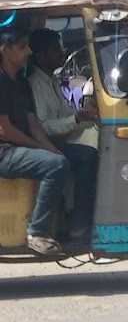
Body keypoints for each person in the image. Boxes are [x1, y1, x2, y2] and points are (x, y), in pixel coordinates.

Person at [0, 28, 94, 255]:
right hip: (5, 151)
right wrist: (45, 151)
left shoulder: (21, 84)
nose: (28, 52)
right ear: (5, 50)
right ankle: (37, 232)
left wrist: (51, 149)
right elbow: (6, 130)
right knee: (55, 165)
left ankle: (79, 226)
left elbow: (34, 125)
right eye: (22, 47)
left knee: (86, 155)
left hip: (23, 146)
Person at [27, 29, 99, 150]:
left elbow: (66, 114)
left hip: (66, 137)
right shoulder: (34, 85)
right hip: (53, 144)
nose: (62, 53)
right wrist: (75, 119)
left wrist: (85, 114)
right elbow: (44, 127)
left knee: (99, 128)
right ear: (40, 56)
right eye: (55, 50)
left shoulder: (54, 80)